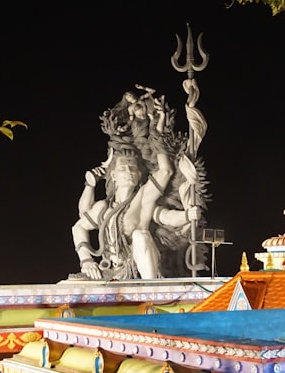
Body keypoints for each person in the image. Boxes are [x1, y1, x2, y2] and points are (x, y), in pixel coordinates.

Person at [72, 96, 200, 280]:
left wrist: (188, 215)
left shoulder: (143, 198)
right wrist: (86, 260)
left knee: (140, 236)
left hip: (137, 270)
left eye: (133, 168)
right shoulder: (103, 207)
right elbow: (78, 227)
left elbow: (165, 174)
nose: (129, 171)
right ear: (114, 176)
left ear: (140, 175)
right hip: (108, 270)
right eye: (123, 168)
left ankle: (151, 290)